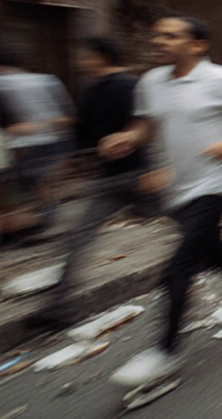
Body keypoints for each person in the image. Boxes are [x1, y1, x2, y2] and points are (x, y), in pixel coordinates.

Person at [101, 16, 222, 387]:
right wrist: (127, 137)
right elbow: (148, 126)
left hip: (216, 183)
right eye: (156, 35)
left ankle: (165, 353)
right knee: (214, 253)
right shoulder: (152, 82)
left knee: (180, 265)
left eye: (170, 36)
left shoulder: (221, 79)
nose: (159, 42)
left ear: (196, 45)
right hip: (178, 188)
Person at [29, 37, 155, 327]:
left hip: (139, 176)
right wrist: (61, 170)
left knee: (190, 226)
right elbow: (81, 137)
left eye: (85, 56)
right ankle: (57, 308)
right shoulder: (91, 92)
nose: (79, 62)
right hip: (108, 181)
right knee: (77, 239)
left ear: (102, 56)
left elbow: (149, 127)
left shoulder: (128, 86)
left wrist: (154, 168)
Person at [0, 45, 75, 238]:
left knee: (24, 185)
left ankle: (33, 223)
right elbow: (66, 114)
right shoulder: (47, 79)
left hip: (23, 144)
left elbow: (7, 124)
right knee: (43, 184)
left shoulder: (3, 84)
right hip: (54, 140)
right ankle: (44, 220)